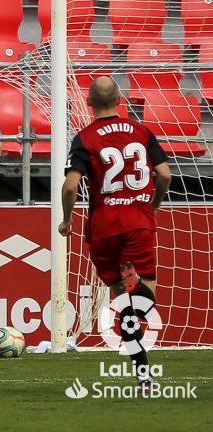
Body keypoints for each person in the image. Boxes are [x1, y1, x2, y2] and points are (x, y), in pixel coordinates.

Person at [59, 76, 172, 388]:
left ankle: (142, 373)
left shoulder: (84, 137)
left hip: (102, 228)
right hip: (137, 222)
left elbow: (70, 186)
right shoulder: (141, 131)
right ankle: (136, 293)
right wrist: (153, 204)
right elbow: (164, 174)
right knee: (142, 302)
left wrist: (67, 220)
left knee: (124, 301)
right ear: (120, 100)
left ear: (88, 103)